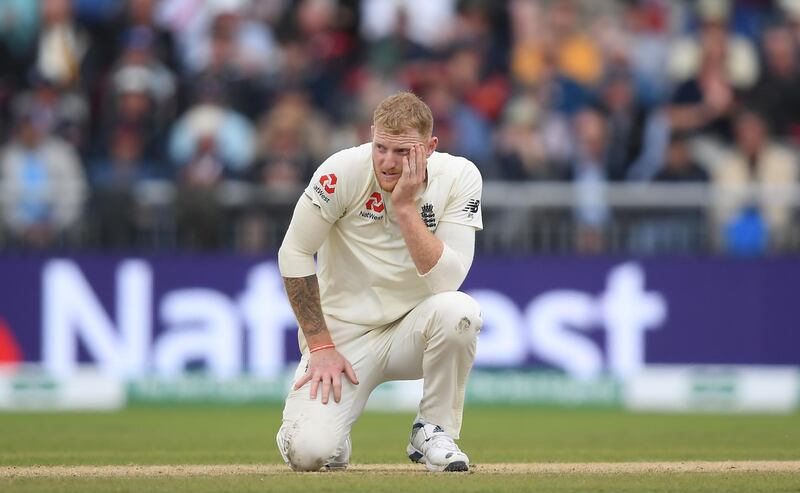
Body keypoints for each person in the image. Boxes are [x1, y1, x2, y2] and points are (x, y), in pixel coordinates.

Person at [276, 91, 483, 472]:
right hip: (342, 338)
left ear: (430, 147)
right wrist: (320, 344)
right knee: (311, 454)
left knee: (461, 312)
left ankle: (433, 431)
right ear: (370, 134)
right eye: (381, 147)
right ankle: (327, 432)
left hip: (412, 328)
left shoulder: (460, 176)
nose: (388, 163)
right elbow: (294, 253)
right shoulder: (341, 171)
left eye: (403, 152)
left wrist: (405, 208)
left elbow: (447, 280)